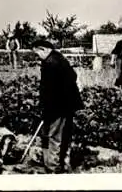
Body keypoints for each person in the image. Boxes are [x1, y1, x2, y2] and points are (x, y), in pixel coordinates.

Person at [31, 40, 84, 174]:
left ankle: (52, 168)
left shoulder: (49, 64)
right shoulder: (60, 59)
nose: (37, 57)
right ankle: (65, 164)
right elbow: (73, 76)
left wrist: (47, 109)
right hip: (68, 105)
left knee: (51, 136)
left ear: (43, 49)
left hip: (56, 107)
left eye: (37, 53)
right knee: (65, 135)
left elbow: (48, 90)